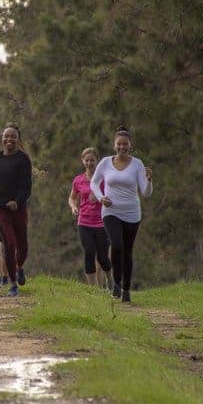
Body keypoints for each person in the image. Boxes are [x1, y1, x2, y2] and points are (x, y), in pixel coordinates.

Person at [90, 126, 153, 303]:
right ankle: (116, 283)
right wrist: (101, 197)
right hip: (110, 211)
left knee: (127, 250)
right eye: (119, 144)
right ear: (114, 145)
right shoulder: (105, 162)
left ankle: (126, 289)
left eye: (125, 144)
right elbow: (94, 183)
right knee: (116, 245)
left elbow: (146, 192)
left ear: (130, 146)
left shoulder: (137, 164)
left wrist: (149, 180)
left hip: (132, 213)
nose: (122, 147)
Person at [0, 123, 32, 297]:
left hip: (18, 207)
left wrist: (17, 201)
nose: (9, 139)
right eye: (6, 136)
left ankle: (19, 266)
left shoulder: (23, 159)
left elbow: (27, 187)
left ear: (18, 139)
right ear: (1, 139)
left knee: (22, 245)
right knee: (9, 242)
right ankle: (13, 283)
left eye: (13, 136)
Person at [69, 147, 111, 288]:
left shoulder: (104, 179)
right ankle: (93, 289)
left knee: (102, 257)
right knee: (89, 253)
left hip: (102, 222)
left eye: (92, 160)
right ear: (82, 161)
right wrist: (74, 207)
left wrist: (103, 199)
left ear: (97, 161)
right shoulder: (78, 180)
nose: (89, 163)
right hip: (84, 222)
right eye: (86, 160)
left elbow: (112, 196)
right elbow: (72, 197)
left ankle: (109, 279)